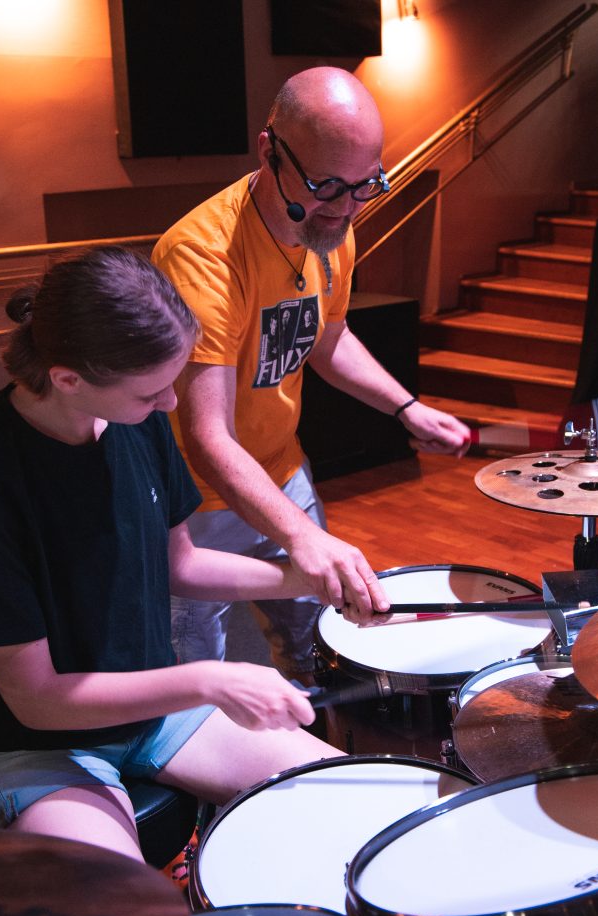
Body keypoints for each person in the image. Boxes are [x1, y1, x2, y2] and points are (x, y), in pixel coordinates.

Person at [0, 246, 352, 863]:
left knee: (353, 801)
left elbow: (181, 565)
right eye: (152, 393)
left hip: (156, 710)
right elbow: (36, 698)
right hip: (39, 742)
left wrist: (311, 578)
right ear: (67, 379)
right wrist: (209, 679)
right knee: (119, 910)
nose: (171, 405)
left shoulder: (135, 418)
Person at [153, 66, 471, 686]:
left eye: (364, 185)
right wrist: (303, 536)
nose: (346, 207)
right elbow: (208, 438)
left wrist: (405, 407)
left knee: (320, 653)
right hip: (196, 501)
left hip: (282, 470)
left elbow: (329, 339)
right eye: (326, 186)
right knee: (194, 677)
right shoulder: (202, 257)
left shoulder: (329, 229)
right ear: (269, 150)